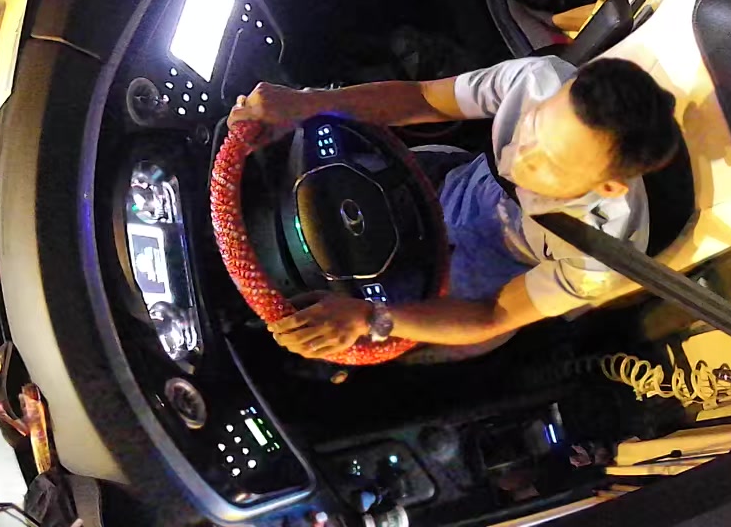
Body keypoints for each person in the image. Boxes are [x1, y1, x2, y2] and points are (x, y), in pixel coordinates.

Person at [229, 55, 680, 362]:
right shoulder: (537, 81)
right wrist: (308, 104)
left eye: (550, 163)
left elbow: (493, 314)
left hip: (492, 274)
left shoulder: (599, 254)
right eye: (532, 125)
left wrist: (369, 319)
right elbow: (424, 97)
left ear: (607, 186)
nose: (518, 157)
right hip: (456, 182)